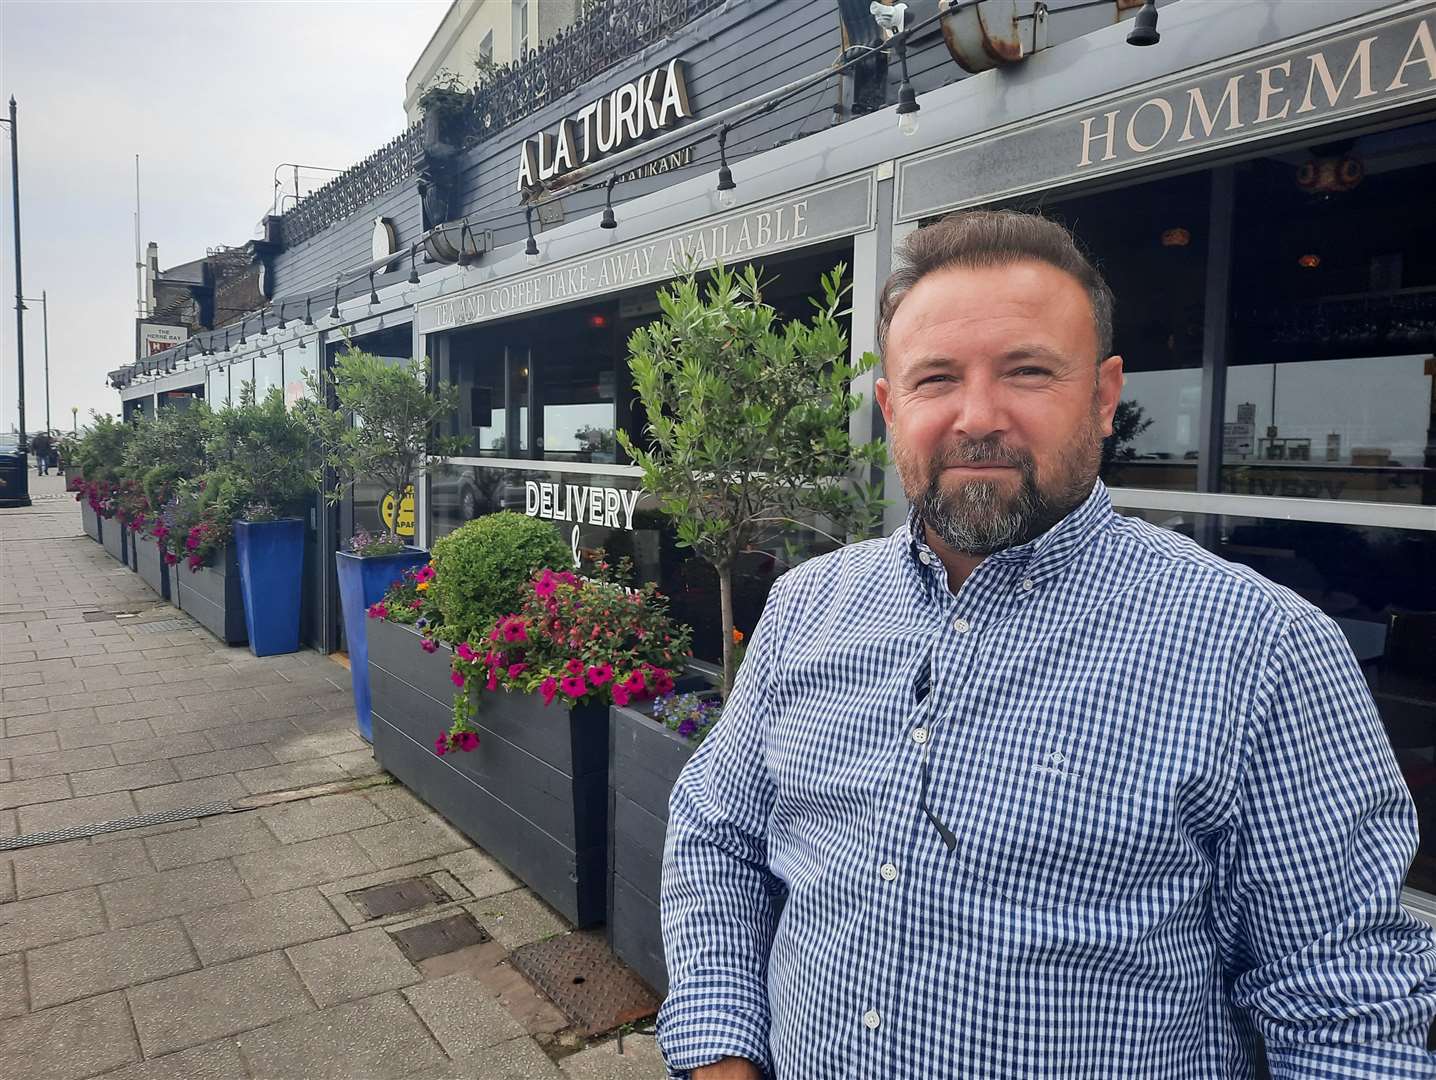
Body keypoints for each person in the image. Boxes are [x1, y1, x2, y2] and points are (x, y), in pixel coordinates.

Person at [657, 210, 1436, 1078]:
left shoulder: (1260, 649)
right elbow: (716, 833)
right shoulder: (808, 606)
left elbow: (1343, 1011)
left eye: (1028, 372)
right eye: (935, 379)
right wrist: (722, 1054)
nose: (976, 417)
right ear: (889, 406)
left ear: (1104, 398)